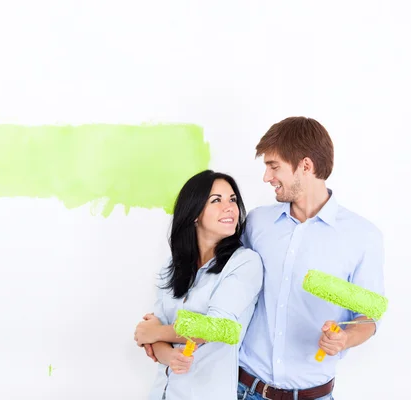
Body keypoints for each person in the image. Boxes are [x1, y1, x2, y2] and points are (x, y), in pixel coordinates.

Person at [236, 116, 385, 400]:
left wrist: (345, 339)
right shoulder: (257, 223)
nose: (266, 177)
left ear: (306, 166)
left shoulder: (363, 237)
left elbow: (370, 317)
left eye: (273, 166)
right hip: (245, 389)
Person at [134, 170, 264, 400]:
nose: (229, 207)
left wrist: (154, 332)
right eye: (216, 200)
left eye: (232, 199)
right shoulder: (171, 266)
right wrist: (165, 352)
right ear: (194, 214)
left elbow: (216, 328)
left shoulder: (244, 263)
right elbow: (156, 334)